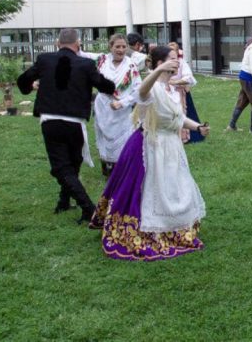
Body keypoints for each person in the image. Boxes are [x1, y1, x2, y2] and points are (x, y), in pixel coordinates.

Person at [89, 45, 210, 260]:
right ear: (158, 63)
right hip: (150, 145)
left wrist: (198, 127)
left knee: (175, 187)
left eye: (177, 59)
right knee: (151, 190)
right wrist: (157, 71)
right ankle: (149, 229)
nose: (176, 62)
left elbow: (178, 119)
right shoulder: (150, 88)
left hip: (171, 145)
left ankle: (175, 228)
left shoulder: (171, 89)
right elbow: (142, 91)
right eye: (171, 59)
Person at [17, 28, 116, 223]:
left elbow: (22, 81)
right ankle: (81, 206)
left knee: (66, 166)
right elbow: (105, 86)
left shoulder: (45, 60)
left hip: (50, 121)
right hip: (74, 123)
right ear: (78, 44)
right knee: (68, 165)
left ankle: (79, 206)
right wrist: (109, 85)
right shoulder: (86, 64)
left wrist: (31, 87)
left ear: (57, 43)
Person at [93, 34, 141, 177]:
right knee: (103, 135)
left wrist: (123, 102)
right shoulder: (102, 61)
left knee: (122, 136)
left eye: (124, 47)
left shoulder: (131, 66)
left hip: (121, 108)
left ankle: (121, 169)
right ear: (111, 47)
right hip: (103, 106)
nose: (120, 50)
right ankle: (106, 165)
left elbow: (139, 90)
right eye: (117, 47)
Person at [168, 41, 205, 144]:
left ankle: (185, 136)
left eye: (174, 54)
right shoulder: (164, 64)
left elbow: (188, 77)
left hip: (180, 93)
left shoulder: (182, 63)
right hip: (167, 92)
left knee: (182, 113)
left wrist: (174, 82)